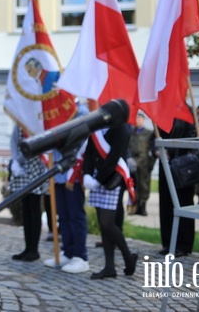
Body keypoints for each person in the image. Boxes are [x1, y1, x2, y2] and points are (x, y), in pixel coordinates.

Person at [82, 119, 138, 279]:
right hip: (96, 179)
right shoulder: (97, 126)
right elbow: (89, 152)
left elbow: (115, 157)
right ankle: (109, 266)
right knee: (103, 224)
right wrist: (86, 173)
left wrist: (98, 179)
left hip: (112, 179)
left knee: (108, 223)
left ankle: (128, 258)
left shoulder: (120, 128)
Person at [43, 99, 90, 274]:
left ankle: (81, 256)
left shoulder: (81, 112)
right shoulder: (54, 109)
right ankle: (68, 252)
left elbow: (80, 140)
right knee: (62, 215)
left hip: (73, 172)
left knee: (75, 214)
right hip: (57, 169)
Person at [154, 106, 197, 257]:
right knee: (166, 204)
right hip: (165, 165)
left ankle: (183, 244)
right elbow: (155, 137)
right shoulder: (163, 111)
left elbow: (194, 138)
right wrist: (157, 150)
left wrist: (174, 151)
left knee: (183, 203)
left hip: (182, 167)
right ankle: (168, 242)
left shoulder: (188, 111)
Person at [8, 125, 48, 261]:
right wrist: (14, 160)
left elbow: (34, 144)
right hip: (22, 168)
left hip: (35, 166)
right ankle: (27, 248)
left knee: (34, 208)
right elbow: (14, 141)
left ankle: (34, 249)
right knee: (26, 208)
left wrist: (18, 160)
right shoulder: (19, 120)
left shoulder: (34, 120)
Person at [128, 112, 153, 216]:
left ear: (144, 120)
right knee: (134, 185)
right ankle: (134, 206)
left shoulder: (149, 133)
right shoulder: (131, 132)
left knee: (144, 185)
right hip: (132, 163)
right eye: (136, 118)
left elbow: (151, 149)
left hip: (144, 163)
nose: (138, 120)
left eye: (140, 119)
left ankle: (142, 206)